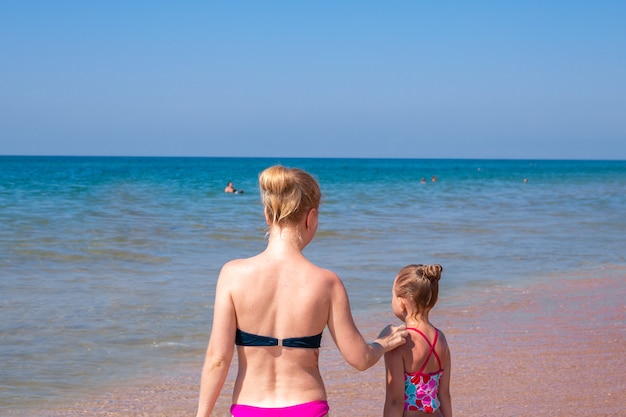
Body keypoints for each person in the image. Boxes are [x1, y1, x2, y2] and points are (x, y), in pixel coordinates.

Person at [196, 165, 408, 417]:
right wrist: (383, 343)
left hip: (249, 408)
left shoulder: (232, 274)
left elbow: (218, 359)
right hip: (307, 408)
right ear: (312, 218)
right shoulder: (327, 283)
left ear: (267, 214)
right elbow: (360, 359)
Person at [383, 264, 452, 417]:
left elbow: (395, 402)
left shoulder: (399, 342)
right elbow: (444, 395)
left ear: (401, 303)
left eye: (393, 295)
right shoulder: (441, 339)